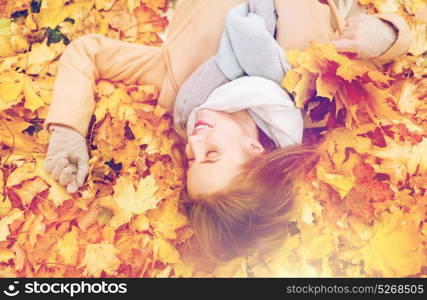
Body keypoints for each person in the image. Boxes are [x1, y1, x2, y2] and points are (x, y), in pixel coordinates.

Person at [43, 0, 411, 262]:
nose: (196, 139)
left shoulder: (175, 86)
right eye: (212, 154)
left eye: (192, 158)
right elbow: (396, 38)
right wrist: (382, 35)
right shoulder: (315, 97)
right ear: (255, 149)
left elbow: (88, 52)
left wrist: (68, 129)